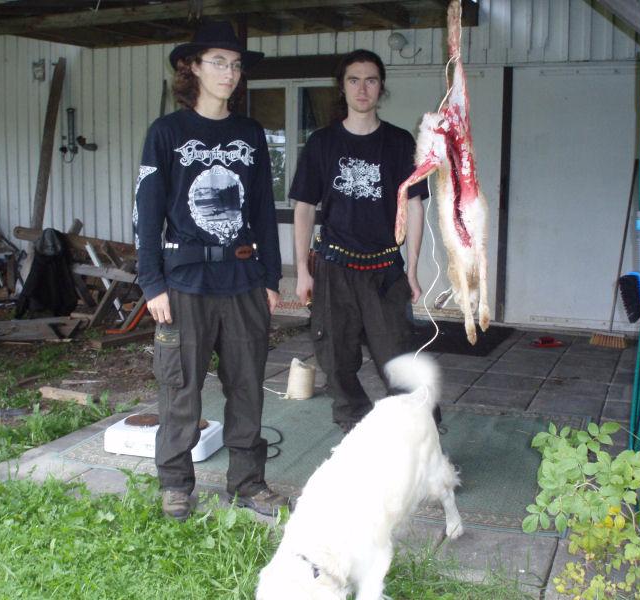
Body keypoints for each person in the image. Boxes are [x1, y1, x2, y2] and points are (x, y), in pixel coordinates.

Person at [134, 21, 288, 520]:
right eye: (218, 62)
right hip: (184, 283)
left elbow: (262, 209)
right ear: (193, 68)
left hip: (243, 280)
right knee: (180, 389)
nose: (230, 72)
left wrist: (270, 277)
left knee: (247, 387)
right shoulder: (166, 133)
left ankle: (248, 483)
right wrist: (152, 283)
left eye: (236, 64)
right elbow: (146, 213)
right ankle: (176, 485)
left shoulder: (250, 134)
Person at [291, 49, 428, 434]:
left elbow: (414, 206)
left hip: (385, 270)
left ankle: (419, 439)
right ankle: (357, 432)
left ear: (381, 87)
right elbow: (304, 208)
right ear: (342, 87)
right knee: (335, 361)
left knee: (399, 360)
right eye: (354, 80)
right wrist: (302, 271)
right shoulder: (322, 143)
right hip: (334, 268)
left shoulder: (400, 142)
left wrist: (413, 270)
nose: (362, 88)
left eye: (371, 80)